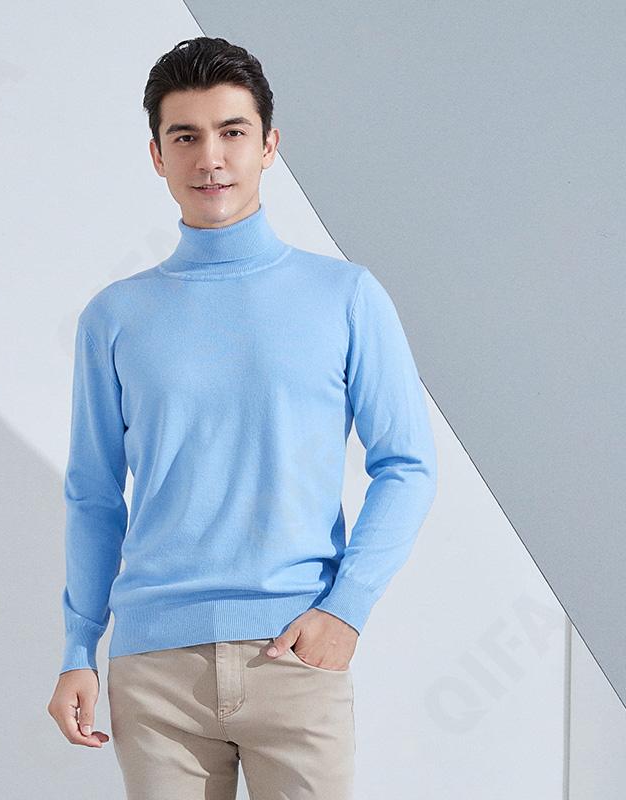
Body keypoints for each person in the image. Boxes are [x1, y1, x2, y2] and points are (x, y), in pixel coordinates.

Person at [47, 36, 437, 799]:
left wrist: (347, 609)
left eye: (232, 132)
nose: (211, 158)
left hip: (296, 657)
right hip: (155, 675)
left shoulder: (346, 297)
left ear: (269, 146)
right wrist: (77, 648)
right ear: (157, 156)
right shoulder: (115, 318)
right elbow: (93, 495)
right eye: (185, 137)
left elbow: (408, 465)